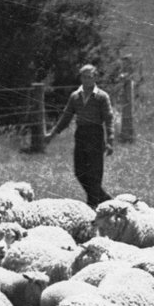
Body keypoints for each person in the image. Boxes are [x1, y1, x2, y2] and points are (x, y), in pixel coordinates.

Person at [46, 65, 114, 207]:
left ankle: (92, 206)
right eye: (84, 77)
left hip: (95, 135)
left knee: (94, 174)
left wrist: (110, 140)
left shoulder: (102, 97)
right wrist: (52, 134)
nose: (87, 80)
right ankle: (106, 200)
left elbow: (108, 119)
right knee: (80, 172)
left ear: (95, 78)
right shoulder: (75, 96)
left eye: (90, 77)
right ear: (80, 78)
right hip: (81, 135)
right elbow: (66, 117)